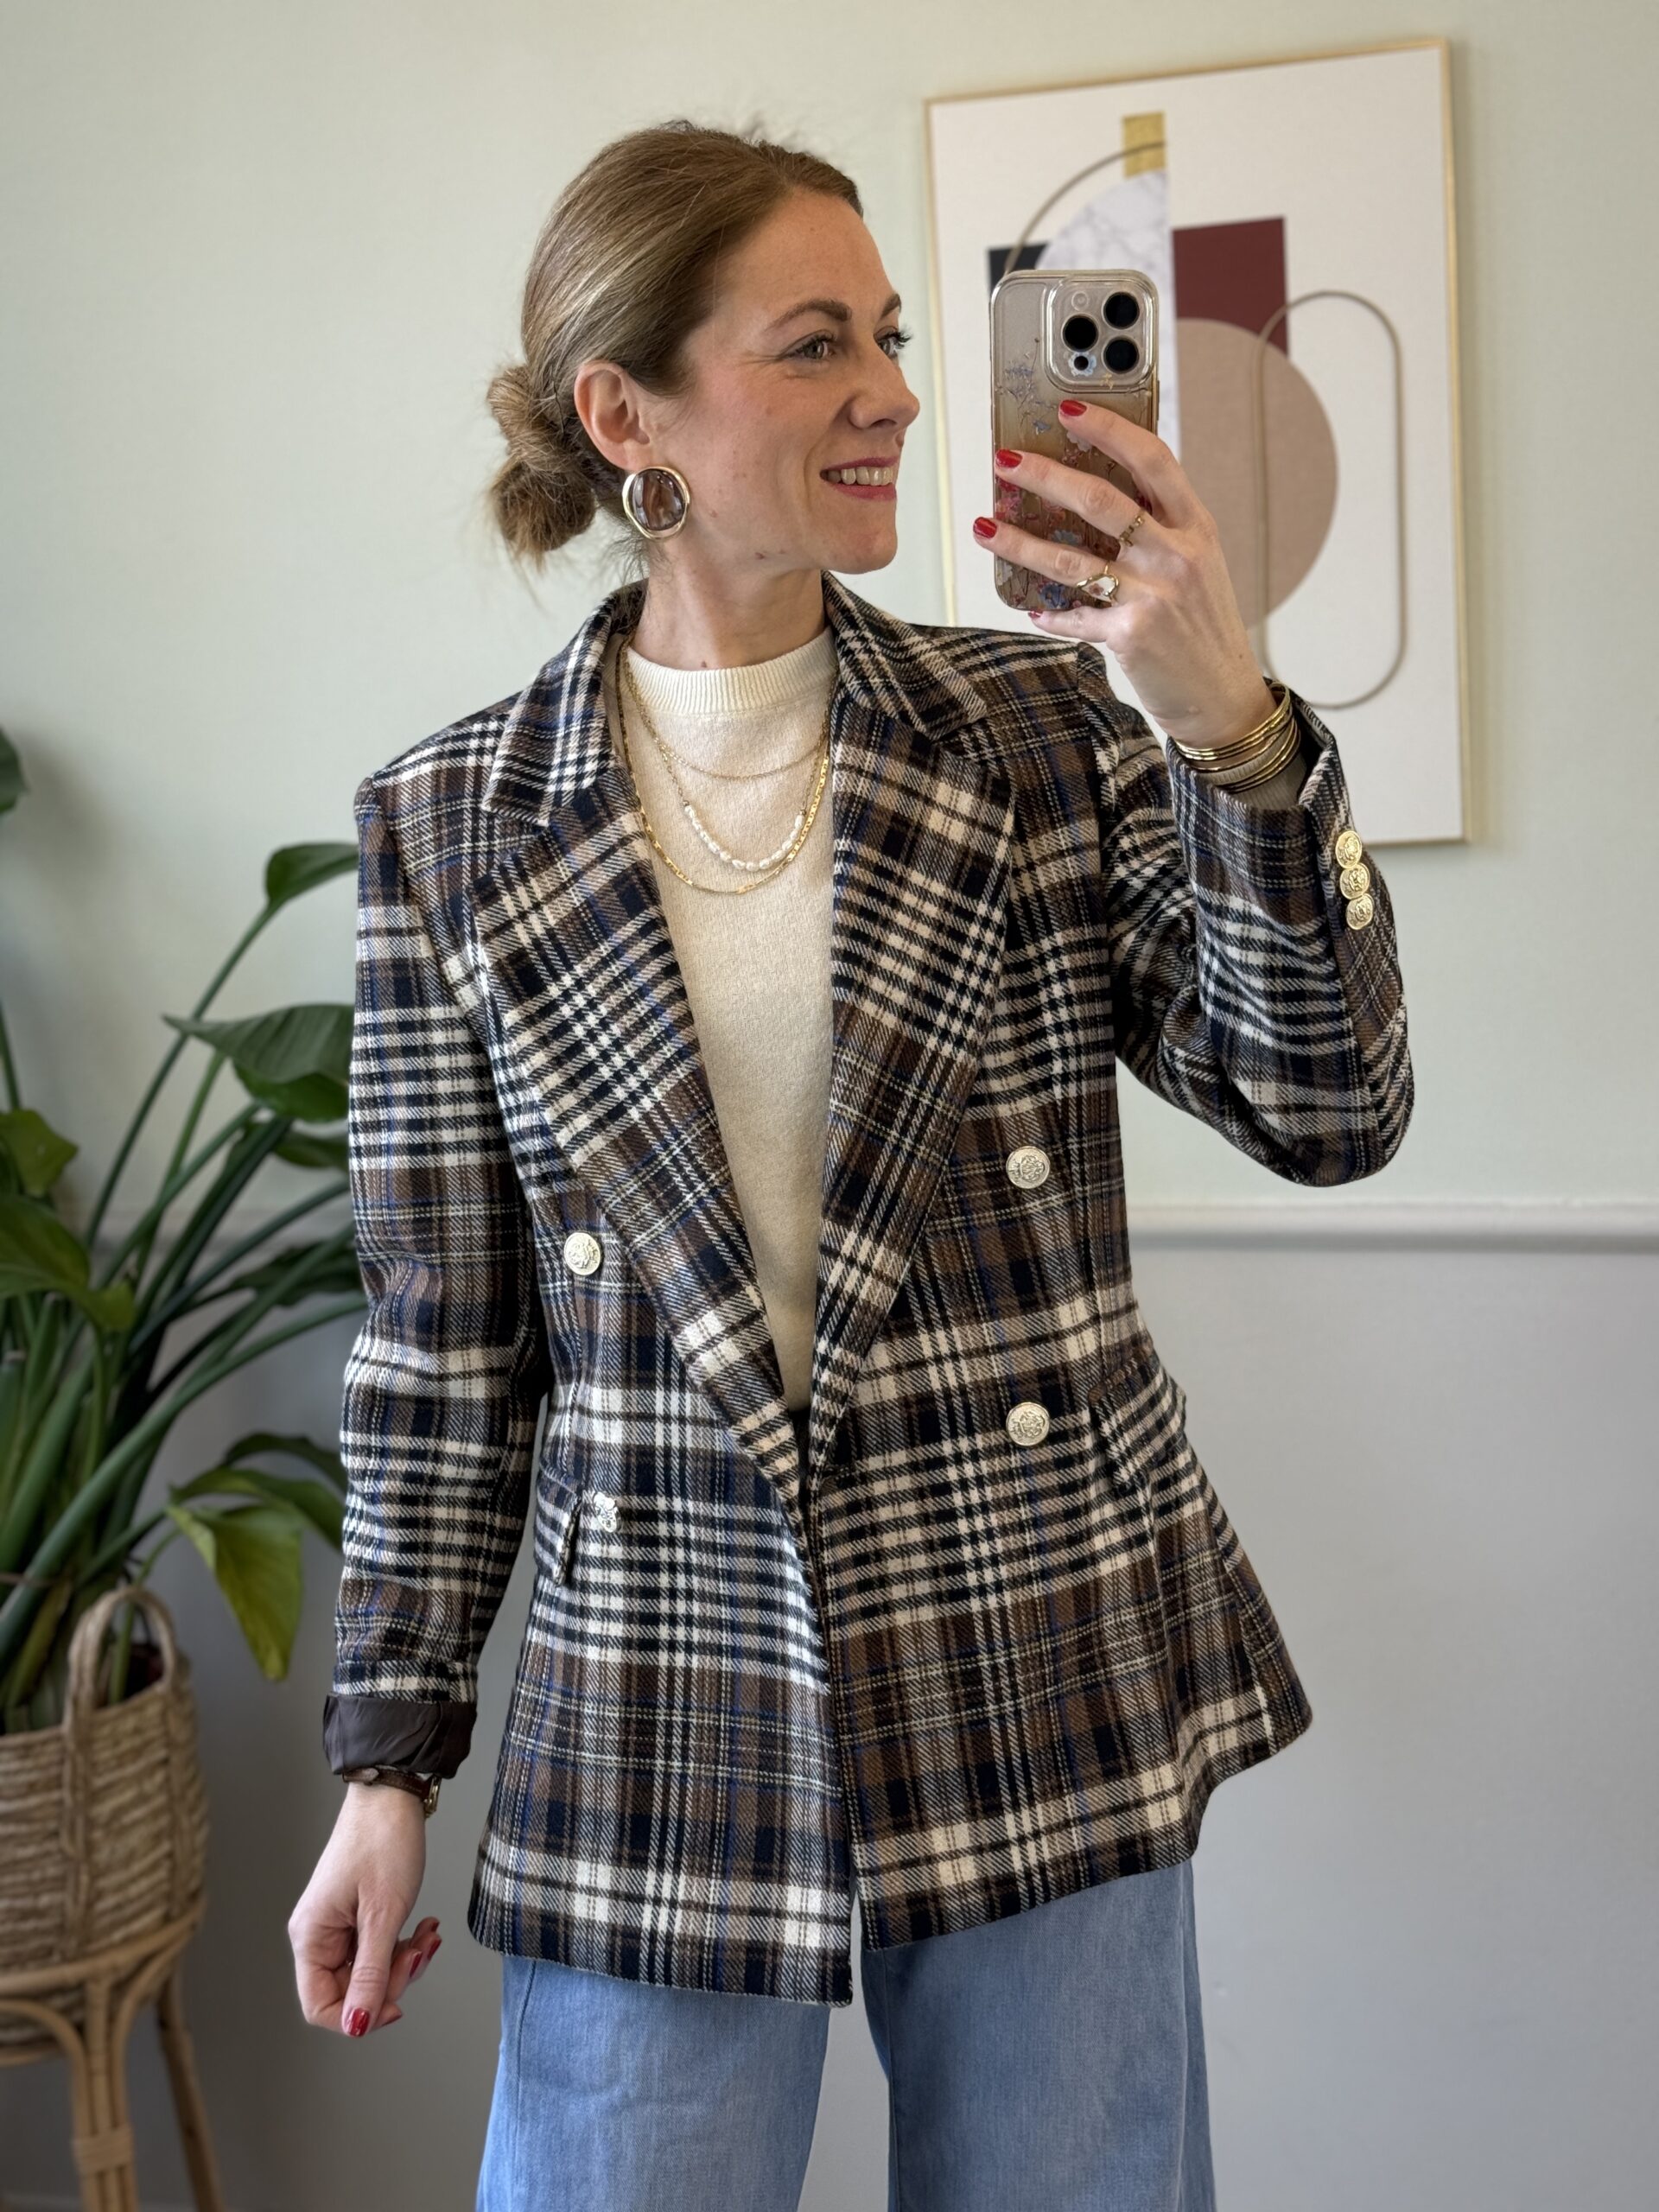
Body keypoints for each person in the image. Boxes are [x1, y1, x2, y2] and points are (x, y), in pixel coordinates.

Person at [287, 119, 1411, 2212]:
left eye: (892, 334)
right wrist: (385, 1764)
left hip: (1036, 1636)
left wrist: (1236, 733)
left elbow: (1330, 1107)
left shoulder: (1044, 733)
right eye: (816, 344)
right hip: (663, 1686)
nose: (892, 389)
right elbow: (442, 1346)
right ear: (628, 415)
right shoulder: (448, 822)